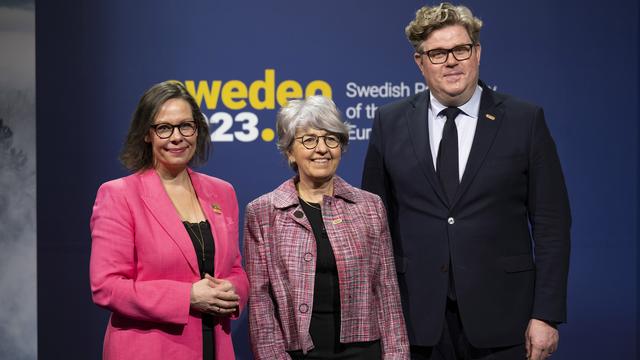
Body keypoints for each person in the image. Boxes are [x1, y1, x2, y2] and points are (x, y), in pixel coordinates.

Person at [362, 3, 571, 360]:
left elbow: (552, 224)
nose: (451, 61)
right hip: (416, 319)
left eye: (461, 49)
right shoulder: (389, 122)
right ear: (419, 62)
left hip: (506, 322)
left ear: (477, 52)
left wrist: (546, 314)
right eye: (438, 53)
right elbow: (372, 224)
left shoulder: (524, 120)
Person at [89, 81, 248, 360]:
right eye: (164, 128)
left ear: (197, 129)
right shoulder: (119, 195)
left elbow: (234, 268)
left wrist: (233, 289)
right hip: (149, 351)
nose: (177, 137)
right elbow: (107, 286)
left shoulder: (223, 192)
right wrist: (187, 297)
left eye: (186, 125)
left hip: (215, 348)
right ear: (147, 134)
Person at [243, 95, 410, 359]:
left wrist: (397, 355)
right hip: (298, 351)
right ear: (289, 150)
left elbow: (387, 292)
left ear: (341, 146)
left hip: (365, 351)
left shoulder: (370, 206)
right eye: (309, 140)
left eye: (331, 138)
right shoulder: (264, 212)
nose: (321, 149)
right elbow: (261, 305)